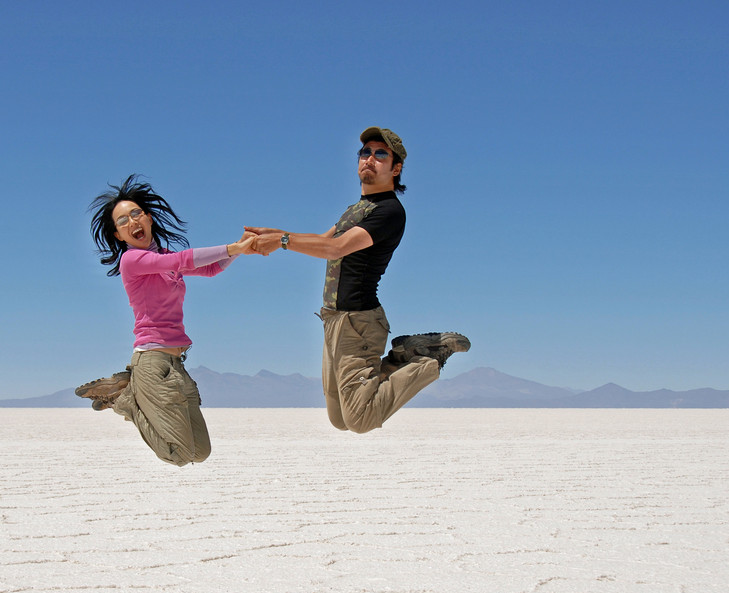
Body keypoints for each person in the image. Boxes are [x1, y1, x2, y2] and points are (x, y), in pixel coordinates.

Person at [245, 127, 470, 434]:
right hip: (333, 320)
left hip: (358, 322)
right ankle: (404, 354)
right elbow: (324, 241)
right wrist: (275, 234)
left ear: (396, 168)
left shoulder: (389, 211)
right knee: (340, 419)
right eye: (365, 152)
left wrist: (282, 241)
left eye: (381, 154)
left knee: (360, 419)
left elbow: (337, 248)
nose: (370, 159)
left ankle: (428, 360)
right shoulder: (357, 210)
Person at [76, 174, 256, 467]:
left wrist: (240, 248)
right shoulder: (132, 260)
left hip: (175, 363)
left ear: (148, 218)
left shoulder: (163, 257)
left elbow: (209, 270)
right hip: (151, 362)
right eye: (123, 221)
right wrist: (233, 248)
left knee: (200, 453)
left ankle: (128, 392)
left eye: (136, 214)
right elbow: (180, 261)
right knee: (180, 455)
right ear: (118, 236)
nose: (132, 222)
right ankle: (126, 398)